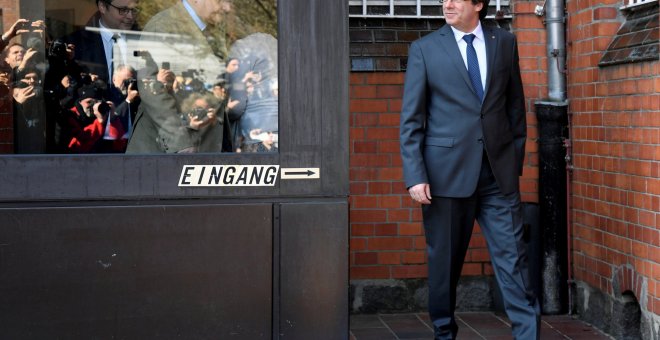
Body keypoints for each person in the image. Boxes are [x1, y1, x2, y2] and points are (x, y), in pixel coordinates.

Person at [399, 0, 540, 339]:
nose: (447, 4)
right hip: (445, 177)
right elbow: (412, 120)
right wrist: (415, 175)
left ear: (478, 4)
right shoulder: (425, 49)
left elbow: (514, 107)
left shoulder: (504, 42)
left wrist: (512, 159)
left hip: (497, 177)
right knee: (444, 266)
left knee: (515, 264)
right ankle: (444, 334)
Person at [126, 0, 231, 153]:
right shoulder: (164, 26)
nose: (227, 7)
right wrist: (180, 142)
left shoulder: (209, 31)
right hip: (168, 157)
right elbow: (152, 89)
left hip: (198, 151)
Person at [66, 0, 140, 85]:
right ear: (103, 7)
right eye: (123, 10)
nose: (130, 16)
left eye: (134, 10)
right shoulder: (75, 44)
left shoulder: (146, 39)